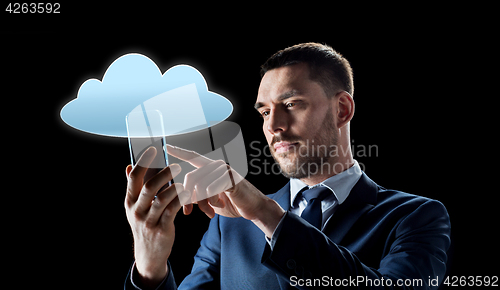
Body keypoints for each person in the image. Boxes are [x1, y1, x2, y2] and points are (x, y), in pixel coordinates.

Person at [123, 43, 451, 289]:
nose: (273, 126)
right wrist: (151, 268)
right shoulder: (229, 226)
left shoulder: (415, 217)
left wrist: (268, 215)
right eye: (265, 111)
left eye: (292, 104)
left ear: (342, 109)